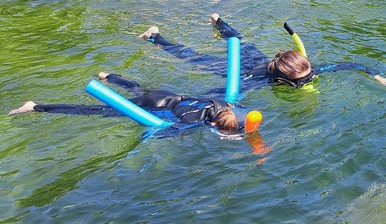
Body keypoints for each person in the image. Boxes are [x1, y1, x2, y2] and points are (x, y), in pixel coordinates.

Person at [138, 14, 386, 90]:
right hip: (242, 72)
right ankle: (154, 37)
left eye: (309, 75)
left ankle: (218, 21)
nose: (310, 79)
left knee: (238, 40)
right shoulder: (258, 83)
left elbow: (350, 64)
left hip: (260, 59)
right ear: (284, 80)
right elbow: (221, 96)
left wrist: (376, 76)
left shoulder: (304, 71)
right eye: (304, 81)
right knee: (194, 58)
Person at [8, 72, 247, 135]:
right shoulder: (193, 121)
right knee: (96, 111)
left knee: (137, 88)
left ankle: (109, 77)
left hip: (169, 95)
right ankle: (36, 107)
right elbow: (166, 131)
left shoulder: (222, 104)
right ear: (215, 125)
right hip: (154, 107)